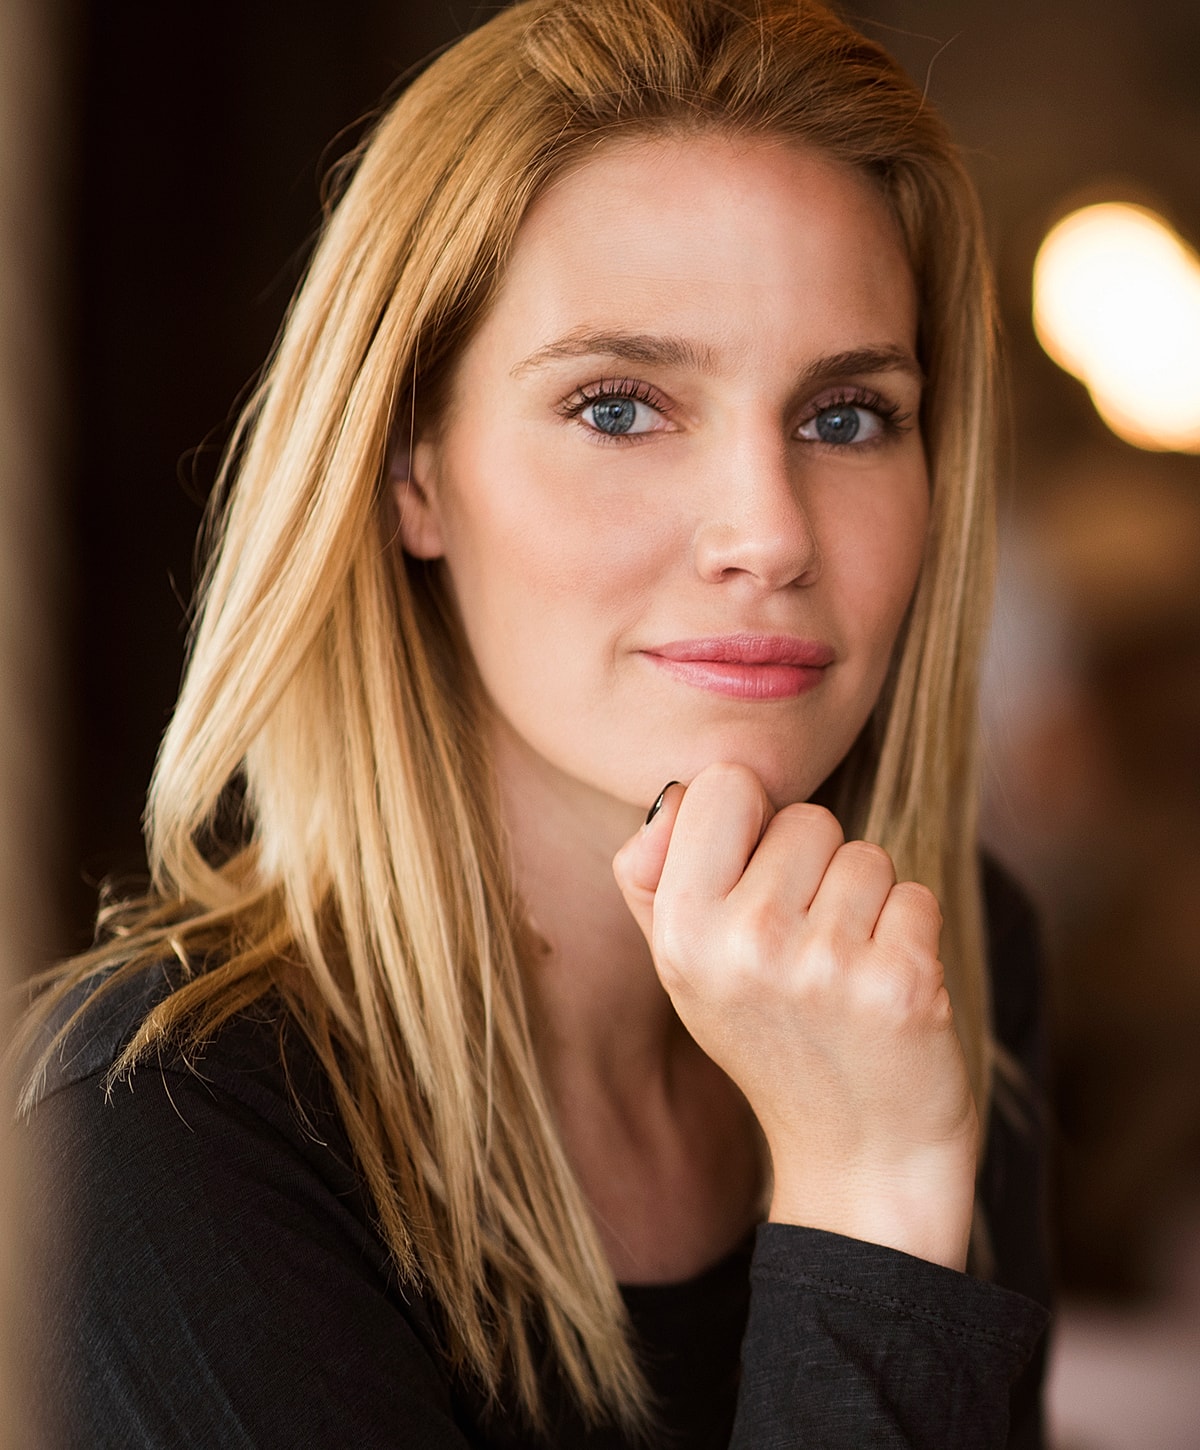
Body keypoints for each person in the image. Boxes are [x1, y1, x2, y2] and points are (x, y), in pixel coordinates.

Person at [18, 0, 1051, 1444]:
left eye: (846, 416)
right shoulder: (153, 1137)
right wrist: (871, 1206)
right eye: (621, 407)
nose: (767, 532)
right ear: (408, 469)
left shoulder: (934, 976)